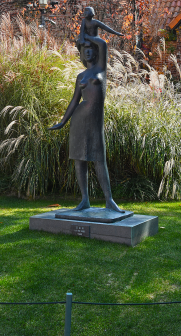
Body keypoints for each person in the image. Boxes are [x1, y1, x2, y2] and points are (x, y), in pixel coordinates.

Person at [49, 33, 124, 212]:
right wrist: (63, 121)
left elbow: (103, 44)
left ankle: (109, 200)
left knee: (99, 159)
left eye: (91, 50)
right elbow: (74, 101)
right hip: (79, 120)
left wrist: (88, 31)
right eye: (84, 50)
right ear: (82, 54)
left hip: (95, 121)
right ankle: (84, 199)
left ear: (95, 53)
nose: (88, 53)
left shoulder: (101, 69)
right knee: (79, 159)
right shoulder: (80, 76)